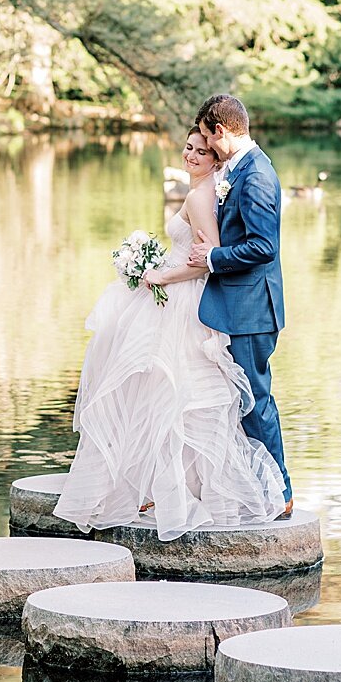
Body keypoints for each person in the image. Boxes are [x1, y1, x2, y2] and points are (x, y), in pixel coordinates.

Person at [52, 126, 288, 541]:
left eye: (201, 150)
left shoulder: (201, 197)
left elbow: (203, 260)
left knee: (178, 397)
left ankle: (180, 490)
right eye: (188, 148)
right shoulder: (205, 192)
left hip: (185, 302)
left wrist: (159, 274)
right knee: (163, 395)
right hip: (182, 297)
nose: (191, 155)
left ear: (216, 154)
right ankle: (162, 486)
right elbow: (196, 253)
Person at [187, 93, 293, 510]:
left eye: (207, 140)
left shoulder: (256, 176)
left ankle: (280, 493)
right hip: (238, 306)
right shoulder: (242, 168)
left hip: (252, 310)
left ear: (221, 131)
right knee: (241, 400)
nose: (205, 148)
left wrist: (213, 258)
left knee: (256, 401)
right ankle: (251, 487)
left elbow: (263, 247)